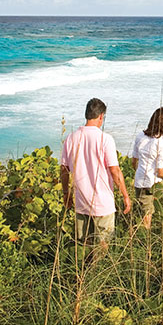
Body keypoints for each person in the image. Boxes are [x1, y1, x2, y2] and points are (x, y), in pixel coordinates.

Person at [60, 97, 131, 250]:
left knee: (84, 245)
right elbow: (114, 170)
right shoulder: (105, 139)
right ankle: (96, 272)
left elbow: (64, 170)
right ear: (101, 116)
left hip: (81, 203)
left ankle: (83, 272)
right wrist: (125, 195)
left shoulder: (71, 138)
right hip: (103, 203)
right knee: (102, 246)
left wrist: (66, 194)